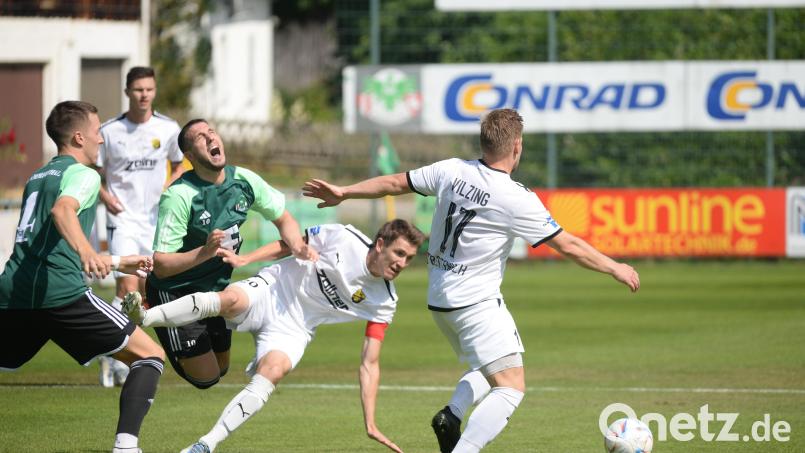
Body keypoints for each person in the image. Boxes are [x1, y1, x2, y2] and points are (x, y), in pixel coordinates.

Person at [303, 108, 641, 453]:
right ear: (517, 147)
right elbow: (566, 244)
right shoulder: (514, 197)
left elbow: (393, 183)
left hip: (440, 301)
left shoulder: (451, 170)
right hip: (475, 303)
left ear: (484, 142)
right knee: (510, 387)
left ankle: (452, 414)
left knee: (493, 365)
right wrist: (614, 267)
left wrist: (344, 192)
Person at [123, 219, 425, 453]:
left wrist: (370, 421)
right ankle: (145, 316)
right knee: (230, 301)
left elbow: (370, 362)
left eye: (409, 258)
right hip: (274, 289)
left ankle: (206, 444)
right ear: (380, 244)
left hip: (296, 328)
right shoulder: (343, 237)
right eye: (399, 253)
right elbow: (289, 243)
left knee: (275, 370)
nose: (402, 263)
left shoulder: (385, 300)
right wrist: (247, 259)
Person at [0, 101, 166, 453]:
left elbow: (47, 240)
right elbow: (64, 212)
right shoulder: (85, 175)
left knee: (9, 359)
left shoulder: (38, 176)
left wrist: (118, 261)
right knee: (150, 356)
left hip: (15, 290)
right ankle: (126, 448)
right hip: (60, 293)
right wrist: (88, 253)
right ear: (78, 137)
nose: (101, 141)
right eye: (95, 133)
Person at [146, 118, 317, 390]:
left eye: (211, 131)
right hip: (176, 290)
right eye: (200, 137)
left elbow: (284, 220)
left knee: (222, 368)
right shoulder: (179, 196)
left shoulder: (244, 181)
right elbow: (162, 266)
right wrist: (205, 252)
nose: (210, 137)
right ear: (189, 156)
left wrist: (297, 245)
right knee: (206, 378)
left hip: (216, 290)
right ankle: (157, 322)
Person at [94, 66, 185, 387]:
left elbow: (179, 165)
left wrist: (169, 189)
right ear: (127, 92)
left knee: (150, 292)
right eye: (138, 89)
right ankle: (117, 357)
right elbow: (92, 169)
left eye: (149, 89)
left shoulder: (169, 128)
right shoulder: (110, 131)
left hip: (155, 222)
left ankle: (118, 350)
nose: (144, 95)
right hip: (122, 220)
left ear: (155, 91)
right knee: (126, 288)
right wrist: (105, 197)